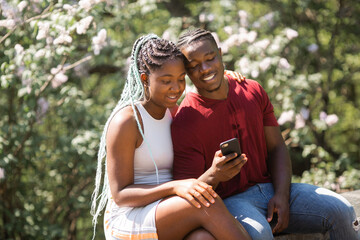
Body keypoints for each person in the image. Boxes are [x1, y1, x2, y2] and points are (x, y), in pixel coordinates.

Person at [171, 28, 359, 240]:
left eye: (210, 58)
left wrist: (281, 194)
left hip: (273, 188)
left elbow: (277, 147)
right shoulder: (186, 120)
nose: (204, 69)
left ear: (221, 54)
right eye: (194, 66)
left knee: (342, 211)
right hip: (230, 202)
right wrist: (215, 174)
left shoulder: (252, 90)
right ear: (186, 72)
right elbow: (189, 193)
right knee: (260, 234)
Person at [90, 34, 251, 240]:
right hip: (129, 217)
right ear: (144, 79)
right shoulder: (128, 121)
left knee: (202, 238)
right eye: (166, 81)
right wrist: (175, 186)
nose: (176, 88)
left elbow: (204, 91)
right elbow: (121, 195)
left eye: (180, 79)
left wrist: (224, 77)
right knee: (207, 202)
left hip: (169, 207)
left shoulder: (173, 112)